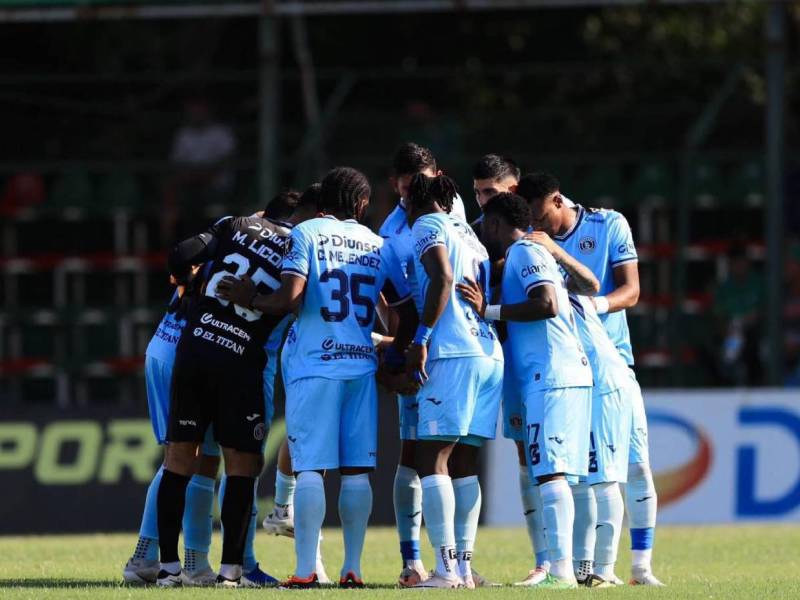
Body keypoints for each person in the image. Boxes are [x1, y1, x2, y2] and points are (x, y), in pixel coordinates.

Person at [216, 167, 417, 589]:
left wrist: (249, 296)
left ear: (323, 199)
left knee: (309, 469)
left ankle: (307, 569)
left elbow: (290, 297)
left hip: (314, 363)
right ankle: (353, 569)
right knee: (357, 471)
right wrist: (397, 353)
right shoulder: (379, 244)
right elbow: (407, 312)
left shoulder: (305, 234)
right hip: (360, 365)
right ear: (362, 205)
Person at [519, 172, 664, 586]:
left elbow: (631, 291)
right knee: (585, 475)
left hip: (614, 361)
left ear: (557, 199)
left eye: (539, 211)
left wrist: (591, 307)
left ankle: (641, 567)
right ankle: (587, 569)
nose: (534, 221)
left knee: (636, 467)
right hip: (569, 368)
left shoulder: (608, 224)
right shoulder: (530, 239)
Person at [457, 193, 592, 589]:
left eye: (486, 227)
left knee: (550, 473)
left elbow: (547, 303)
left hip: (551, 375)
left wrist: (489, 311)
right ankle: (560, 566)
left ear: (497, 225)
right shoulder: (526, 254)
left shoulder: (523, 252)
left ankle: (562, 572)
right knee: (552, 473)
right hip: (552, 374)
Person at [156, 205, 291, 587]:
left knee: (178, 460)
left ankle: (168, 570)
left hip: (195, 349)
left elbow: (181, 254)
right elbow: (296, 300)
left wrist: (187, 286)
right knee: (242, 466)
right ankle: (231, 572)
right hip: (241, 361)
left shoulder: (236, 224)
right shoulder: (299, 245)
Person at [398, 173, 503, 589]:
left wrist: (421, 338)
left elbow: (441, 277)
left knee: (431, 457)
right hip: (486, 352)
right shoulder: (472, 236)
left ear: (413, 200)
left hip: (453, 352)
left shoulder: (428, 225)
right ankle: (462, 567)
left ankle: (444, 570)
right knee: (464, 463)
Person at [378, 142, 467, 587]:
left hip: (448, 348)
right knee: (413, 456)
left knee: (448, 455)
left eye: (423, 182)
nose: (414, 190)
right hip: (419, 344)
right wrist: (400, 350)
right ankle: (413, 560)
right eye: (409, 183)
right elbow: (390, 299)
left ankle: (457, 564)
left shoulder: (449, 209)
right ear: (396, 184)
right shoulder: (393, 228)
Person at [122, 276, 221, 587]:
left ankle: (147, 557)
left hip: (165, 345)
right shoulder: (245, 239)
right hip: (187, 357)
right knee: (192, 459)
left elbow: (180, 265)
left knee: (185, 458)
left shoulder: (218, 239)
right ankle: (191, 563)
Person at [471, 154, 521, 234]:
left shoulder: (539, 227)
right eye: (477, 192)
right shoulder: (471, 235)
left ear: (514, 190)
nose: (482, 201)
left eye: (489, 192)